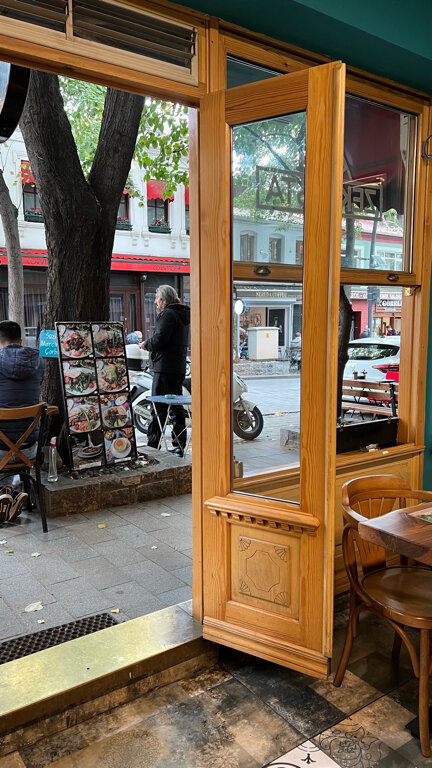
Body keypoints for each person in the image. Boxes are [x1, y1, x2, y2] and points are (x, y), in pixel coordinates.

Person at [0, 321, 45, 520]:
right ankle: (8, 492)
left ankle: (5, 493)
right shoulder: (39, 362)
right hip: (31, 449)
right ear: (20, 340)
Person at [140, 286, 190, 456]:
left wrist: (146, 344)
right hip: (177, 367)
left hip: (164, 367)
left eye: (156, 299)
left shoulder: (168, 314)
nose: (155, 302)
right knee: (176, 408)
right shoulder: (182, 315)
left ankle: (152, 446)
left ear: (163, 299)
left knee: (158, 407)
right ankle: (179, 445)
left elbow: (160, 338)